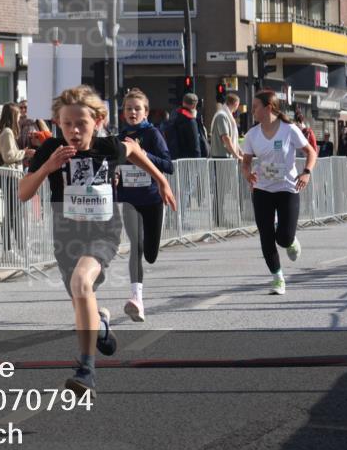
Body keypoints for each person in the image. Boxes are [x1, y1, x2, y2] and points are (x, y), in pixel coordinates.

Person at [19, 85, 176, 397]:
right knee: (80, 296)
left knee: (81, 283)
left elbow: (134, 151)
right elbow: (23, 193)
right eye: (67, 124)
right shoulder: (52, 149)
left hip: (102, 233)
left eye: (81, 124)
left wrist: (161, 181)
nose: (74, 131)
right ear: (56, 123)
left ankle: (86, 370)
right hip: (65, 237)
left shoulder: (108, 147)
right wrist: (48, 167)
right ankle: (101, 325)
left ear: (98, 120)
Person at [240, 90, 317, 295]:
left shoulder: (289, 130)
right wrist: (248, 175)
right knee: (266, 235)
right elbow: (245, 162)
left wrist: (306, 172)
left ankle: (291, 241)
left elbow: (310, 152)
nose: (252, 110)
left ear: (269, 108)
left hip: (287, 188)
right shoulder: (252, 135)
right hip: (262, 189)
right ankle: (278, 278)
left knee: (283, 237)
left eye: (256, 106)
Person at [117, 88, 173, 322]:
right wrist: (114, 173)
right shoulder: (119, 136)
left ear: (146, 112)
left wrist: (142, 154)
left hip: (151, 198)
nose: (132, 112)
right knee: (136, 245)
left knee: (150, 253)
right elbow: (114, 162)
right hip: (129, 198)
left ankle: (138, 291)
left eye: (137, 109)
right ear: (123, 113)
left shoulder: (153, 134)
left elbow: (168, 165)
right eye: (128, 109)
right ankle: (136, 299)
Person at [0, 103, 34, 252]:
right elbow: (9, 156)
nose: (20, 117)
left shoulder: (0, 131)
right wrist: (25, 153)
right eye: (18, 115)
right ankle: (11, 249)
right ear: (13, 116)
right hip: (10, 175)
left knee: (12, 213)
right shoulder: (7, 132)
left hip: (6, 176)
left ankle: (15, 248)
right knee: (13, 213)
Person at [167, 93, 207, 160]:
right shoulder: (190, 120)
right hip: (189, 161)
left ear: (183, 102)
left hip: (176, 159)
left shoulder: (174, 116)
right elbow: (195, 145)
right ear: (194, 105)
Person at [208, 93, 242, 160]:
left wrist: (240, 152)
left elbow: (231, 139)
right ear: (236, 103)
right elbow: (226, 138)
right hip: (221, 157)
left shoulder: (225, 115)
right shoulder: (222, 116)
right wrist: (235, 155)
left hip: (225, 156)